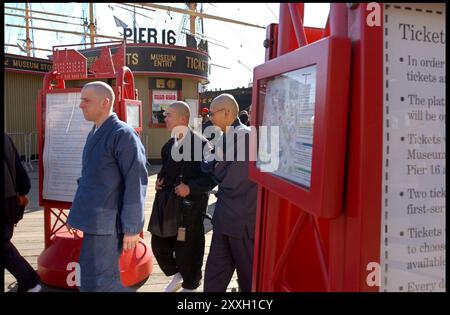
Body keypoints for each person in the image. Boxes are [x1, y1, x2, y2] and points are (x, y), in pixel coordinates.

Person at [67, 81, 148, 292]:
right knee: (91, 279)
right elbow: (89, 179)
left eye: (86, 100)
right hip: (94, 219)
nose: (81, 105)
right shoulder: (95, 132)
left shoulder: (123, 134)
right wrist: (77, 213)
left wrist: (132, 227)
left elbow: (135, 182)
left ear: (105, 102)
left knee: (101, 283)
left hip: (108, 221)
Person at [149, 101, 216, 292]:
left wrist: (191, 187)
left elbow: (212, 177)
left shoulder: (202, 144)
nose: (165, 118)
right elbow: (165, 171)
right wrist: (160, 180)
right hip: (168, 205)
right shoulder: (168, 145)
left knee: (189, 247)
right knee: (159, 243)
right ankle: (177, 273)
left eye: (169, 115)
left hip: (190, 207)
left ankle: (191, 284)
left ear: (183, 119)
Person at [202, 94, 257, 292]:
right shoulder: (226, 136)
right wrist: (215, 164)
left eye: (212, 113)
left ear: (226, 113)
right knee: (214, 275)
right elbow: (210, 165)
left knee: (248, 279)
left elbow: (229, 178)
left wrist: (215, 165)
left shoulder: (247, 136)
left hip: (241, 222)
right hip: (225, 219)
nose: (209, 118)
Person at [4, 133, 42, 292]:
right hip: (10, 200)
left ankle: (30, 283)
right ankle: (31, 281)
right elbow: (22, 177)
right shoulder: (6, 138)